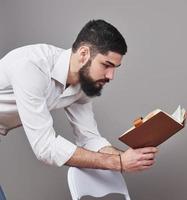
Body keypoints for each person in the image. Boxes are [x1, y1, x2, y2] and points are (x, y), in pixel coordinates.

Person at [0, 19, 158, 172]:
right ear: (83, 54)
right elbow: (45, 148)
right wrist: (118, 163)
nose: (111, 76)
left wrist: (128, 157)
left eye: (115, 68)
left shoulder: (82, 84)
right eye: (106, 65)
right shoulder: (32, 66)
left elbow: (90, 139)